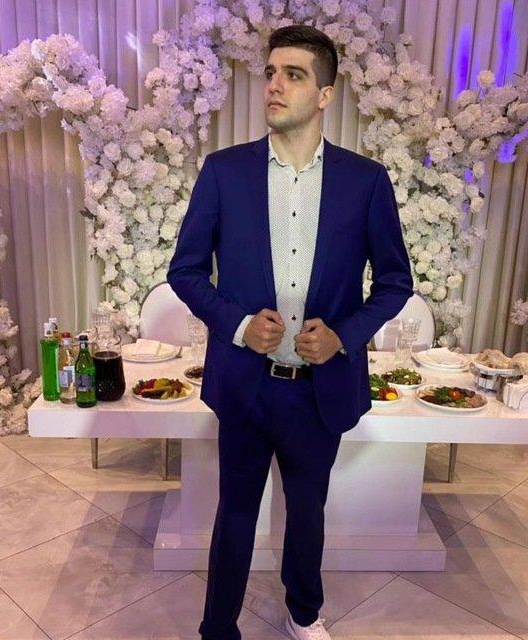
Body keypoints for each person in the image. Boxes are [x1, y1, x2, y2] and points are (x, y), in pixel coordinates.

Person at [167, 24, 414, 640]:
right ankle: (217, 627)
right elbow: (185, 271)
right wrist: (237, 325)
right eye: (271, 73)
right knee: (234, 514)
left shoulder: (366, 181)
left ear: (325, 94)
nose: (275, 85)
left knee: (307, 513)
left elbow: (394, 282)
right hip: (245, 385)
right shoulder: (224, 172)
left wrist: (344, 336)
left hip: (319, 389)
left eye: (294, 75)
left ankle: (303, 613)